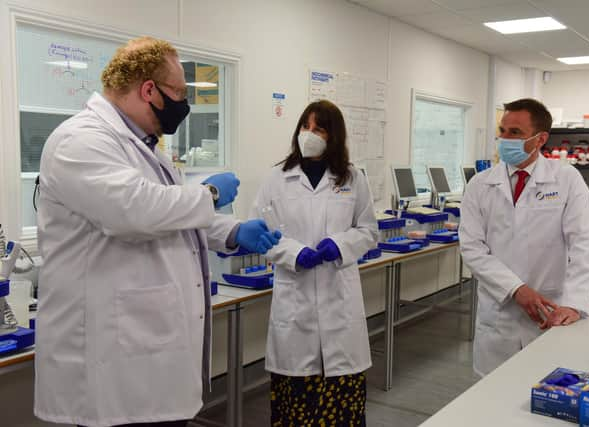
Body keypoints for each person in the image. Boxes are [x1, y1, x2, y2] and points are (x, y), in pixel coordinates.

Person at [34, 36, 280, 427]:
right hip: (108, 364)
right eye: (180, 93)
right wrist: (211, 193)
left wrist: (231, 232)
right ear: (148, 89)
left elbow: (171, 215)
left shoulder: (144, 146)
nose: (185, 104)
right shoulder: (79, 140)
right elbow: (134, 211)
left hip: (144, 352)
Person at [251, 100, 378, 426]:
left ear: (333, 135)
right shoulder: (276, 179)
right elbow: (261, 234)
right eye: (305, 127)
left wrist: (339, 245)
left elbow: (367, 230)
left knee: (343, 404)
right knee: (296, 404)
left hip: (339, 302)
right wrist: (294, 253)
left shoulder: (352, 178)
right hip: (296, 304)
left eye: (319, 128)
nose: (310, 134)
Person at [459, 98, 589, 376]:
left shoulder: (567, 179)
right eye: (502, 130)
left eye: (515, 133)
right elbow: (472, 248)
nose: (504, 139)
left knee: (545, 391)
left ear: (540, 139)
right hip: (500, 310)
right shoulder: (480, 184)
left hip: (550, 310)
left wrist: (573, 303)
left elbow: (583, 245)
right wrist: (516, 289)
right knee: (493, 397)